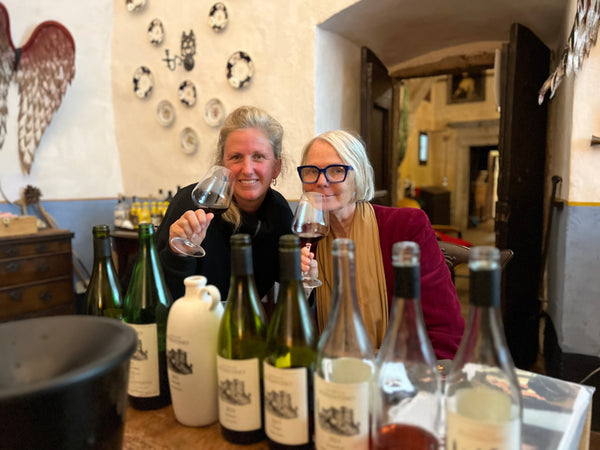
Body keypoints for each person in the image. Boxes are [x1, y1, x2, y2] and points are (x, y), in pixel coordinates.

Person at [298, 130, 464, 360]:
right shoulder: (306, 241)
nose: (321, 181)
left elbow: (447, 334)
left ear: (359, 175)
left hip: (398, 375)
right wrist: (303, 292)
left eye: (337, 170)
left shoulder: (406, 228)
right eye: (311, 171)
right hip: (330, 375)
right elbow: (294, 338)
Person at [156, 105, 299, 303]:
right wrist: (179, 254)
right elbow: (161, 294)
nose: (247, 169)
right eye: (236, 157)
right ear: (223, 165)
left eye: (258, 156)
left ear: (276, 167)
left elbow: (290, 283)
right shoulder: (192, 204)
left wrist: (304, 276)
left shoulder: (279, 214)